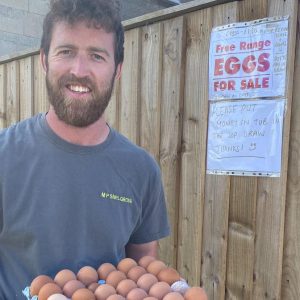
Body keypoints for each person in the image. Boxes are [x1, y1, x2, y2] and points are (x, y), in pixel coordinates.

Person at [0, 0, 170, 298]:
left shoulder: (141, 170)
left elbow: (144, 274)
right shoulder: (4, 156)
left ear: (117, 70)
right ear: (44, 59)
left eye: (96, 56)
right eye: (66, 52)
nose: (79, 70)